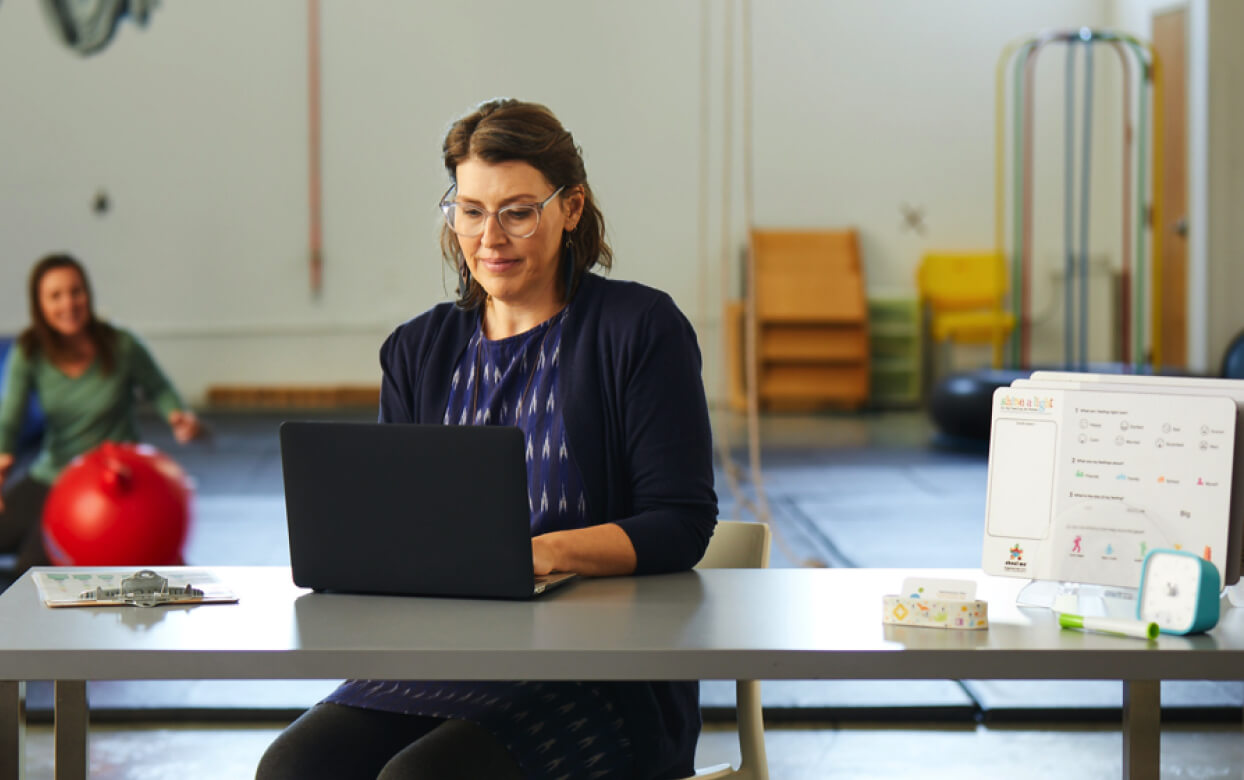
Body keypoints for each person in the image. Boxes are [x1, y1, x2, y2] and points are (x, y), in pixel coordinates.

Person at [255, 99, 718, 780]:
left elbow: (680, 523)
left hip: (601, 679)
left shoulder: (639, 329)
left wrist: (535, 555)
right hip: (442, 662)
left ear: (572, 207)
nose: (490, 237)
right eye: (470, 210)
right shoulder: (417, 349)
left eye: (518, 211)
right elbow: (400, 534)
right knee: (294, 767)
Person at [0, 253, 203, 577]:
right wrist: (3, 455)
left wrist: (176, 415)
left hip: (110, 481)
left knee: (29, 570)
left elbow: (159, 388)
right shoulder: (30, 351)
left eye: (75, 291)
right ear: (40, 304)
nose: (68, 303)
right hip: (51, 474)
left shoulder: (121, 345)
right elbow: (10, 415)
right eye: (56, 296)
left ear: (88, 294)